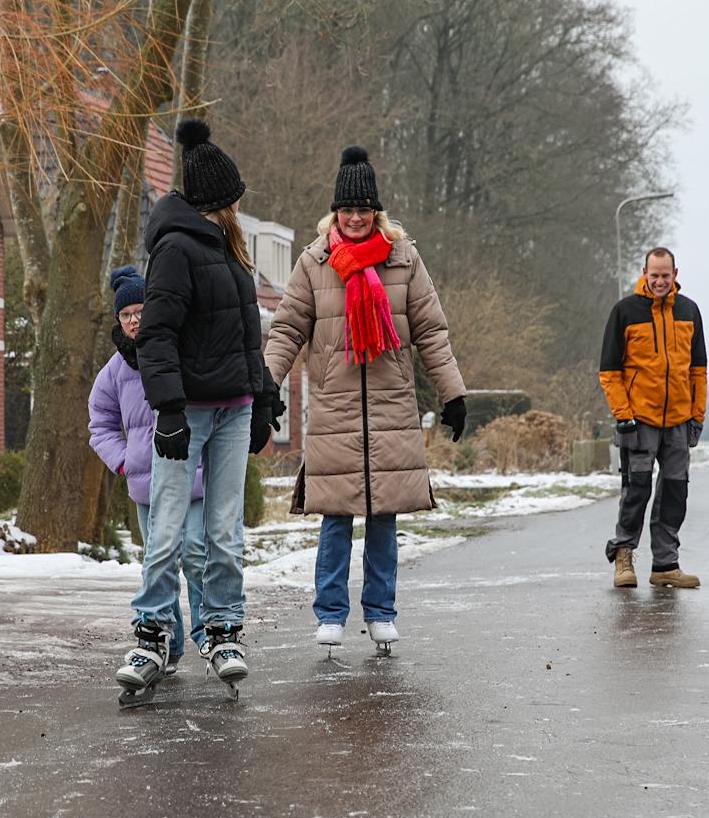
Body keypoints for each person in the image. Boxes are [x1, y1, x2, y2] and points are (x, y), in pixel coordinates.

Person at [263, 145, 467, 651]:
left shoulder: (404, 259)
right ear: (335, 212)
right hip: (334, 407)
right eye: (347, 209)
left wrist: (453, 394)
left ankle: (380, 612)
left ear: (377, 211)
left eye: (364, 209)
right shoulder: (314, 263)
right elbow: (287, 329)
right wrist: (267, 384)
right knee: (335, 517)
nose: (355, 218)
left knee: (383, 517)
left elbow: (431, 332)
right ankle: (330, 613)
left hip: (391, 405)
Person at [116, 119, 281, 701]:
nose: (239, 206)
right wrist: (168, 409)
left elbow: (247, 337)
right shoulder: (175, 250)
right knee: (166, 529)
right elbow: (156, 335)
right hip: (188, 411)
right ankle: (153, 632)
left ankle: (224, 628)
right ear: (218, 201)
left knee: (224, 530)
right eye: (234, 199)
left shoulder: (230, 251)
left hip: (235, 408)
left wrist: (264, 399)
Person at [89, 265, 208, 671]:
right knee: (158, 564)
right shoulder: (114, 371)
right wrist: (124, 461)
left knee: (196, 555)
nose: (134, 320)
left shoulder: (182, 351)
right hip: (146, 484)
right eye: (126, 314)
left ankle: (209, 633)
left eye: (140, 311)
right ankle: (167, 644)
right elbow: (100, 423)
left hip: (191, 478)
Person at [597, 247, 708, 589]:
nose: (660, 281)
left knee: (675, 493)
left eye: (665, 275)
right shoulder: (625, 311)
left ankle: (665, 564)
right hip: (638, 421)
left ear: (675, 274)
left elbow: (698, 370)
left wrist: (697, 416)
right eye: (654, 275)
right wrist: (623, 415)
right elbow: (609, 372)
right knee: (636, 491)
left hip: (679, 421)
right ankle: (624, 556)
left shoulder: (689, 310)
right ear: (644, 273)